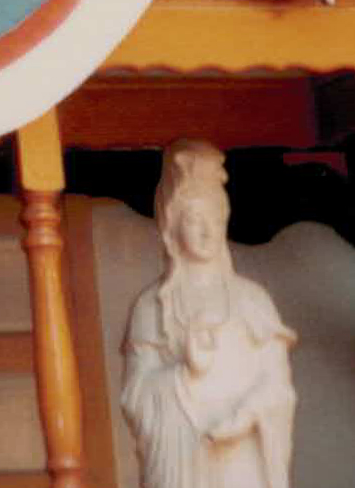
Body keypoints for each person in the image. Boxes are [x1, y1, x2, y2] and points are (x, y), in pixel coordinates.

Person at [119, 139, 295, 488]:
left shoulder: (251, 299)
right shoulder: (152, 305)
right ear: (172, 228)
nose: (206, 230)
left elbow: (279, 385)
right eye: (193, 219)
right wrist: (187, 375)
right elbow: (135, 395)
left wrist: (246, 417)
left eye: (214, 217)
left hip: (243, 453)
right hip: (183, 457)